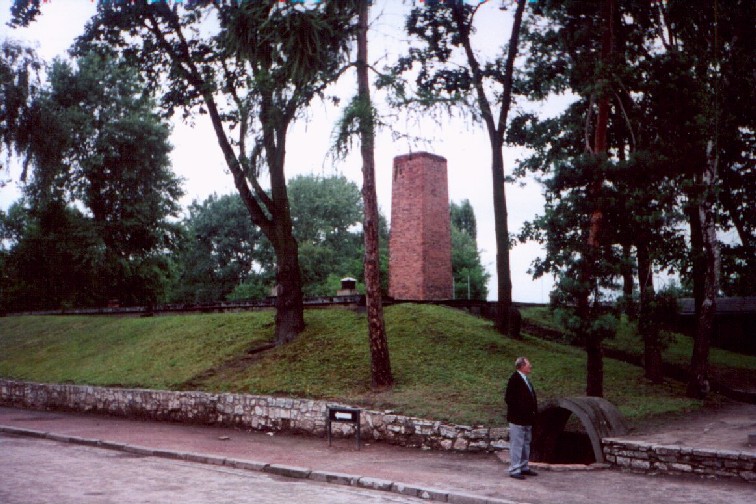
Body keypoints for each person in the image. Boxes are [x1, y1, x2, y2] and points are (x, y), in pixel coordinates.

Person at [505, 356, 538, 480]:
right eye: (528, 364)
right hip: (518, 419)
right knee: (517, 444)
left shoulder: (525, 380)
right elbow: (509, 399)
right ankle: (514, 469)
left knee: (526, 444)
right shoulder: (514, 379)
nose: (530, 366)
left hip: (527, 419)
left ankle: (524, 467)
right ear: (522, 366)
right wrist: (520, 412)